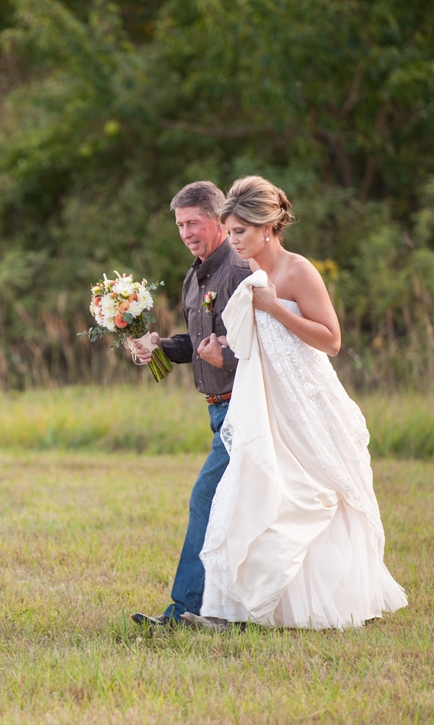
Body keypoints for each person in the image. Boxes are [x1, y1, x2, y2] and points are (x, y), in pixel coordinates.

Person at [185, 175, 406, 630]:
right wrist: (219, 350)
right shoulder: (244, 273)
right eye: (230, 233)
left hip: (303, 399)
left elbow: (332, 340)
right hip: (261, 401)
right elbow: (254, 343)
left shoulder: (298, 270)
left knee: (304, 496)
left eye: (240, 232)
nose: (234, 242)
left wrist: (274, 308)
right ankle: (232, 612)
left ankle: (308, 606)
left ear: (267, 228)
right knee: (248, 493)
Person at [130, 180, 251, 627]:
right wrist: (158, 345)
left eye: (192, 223)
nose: (185, 233)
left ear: (218, 220)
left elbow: (264, 345)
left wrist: (229, 358)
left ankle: (184, 612)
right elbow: (198, 344)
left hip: (245, 409)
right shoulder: (192, 275)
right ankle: (228, 609)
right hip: (216, 409)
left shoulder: (237, 271)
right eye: (179, 225)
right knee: (232, 510)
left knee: (205, 499)